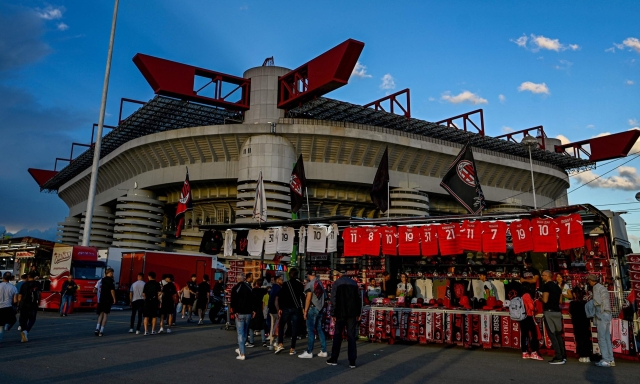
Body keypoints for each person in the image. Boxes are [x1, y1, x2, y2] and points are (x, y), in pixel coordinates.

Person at [327, 270, 362, 368]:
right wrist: (358, 313)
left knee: (338, 335)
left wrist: (333, 313)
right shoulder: (354, 283)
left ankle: (334, 358)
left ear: (339, 275)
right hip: (352, 313)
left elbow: (333, 299)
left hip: (340, 313)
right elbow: (358, 299)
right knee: (351, 336)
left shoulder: (336, 283)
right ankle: (352, 361)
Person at [274, 268, 304, 355]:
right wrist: (304, 309)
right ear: (297, 275)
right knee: (294, 327)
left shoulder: (285, 284)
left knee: (282, 325)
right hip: (296, 308)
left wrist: (280, 308)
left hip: (286, 308)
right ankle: (292, 348)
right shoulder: (300, 285)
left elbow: (280, 296)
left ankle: (280, 343)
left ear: (289, 275)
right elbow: (302, 297)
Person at [299, 271, 327, 359]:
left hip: (312, 308)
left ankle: (309, 351)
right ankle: (324, 350)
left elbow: (308, 298)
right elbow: (325, 297)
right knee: (319, 329)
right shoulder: (320, 283)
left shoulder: (310, 284)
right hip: (320, 308)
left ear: (309, 275)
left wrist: (305, 311)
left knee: (311, 330)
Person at [588, 274, 614, 367]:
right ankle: (611, 359)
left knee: (601, 338)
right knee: (607, 337)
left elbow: (597, 302)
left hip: (601, 314)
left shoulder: (595, 288)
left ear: (591, 281)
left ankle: (605, 359)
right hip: (608, 313)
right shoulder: (603, 287)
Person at [540, 270, 566, 364]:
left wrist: (540, 298)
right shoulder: (557, 286)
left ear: (547, 276)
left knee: (552, 334)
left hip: (549, 312)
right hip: (557, 311)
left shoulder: (546, 286)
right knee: (558, 334)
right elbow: (560, 301)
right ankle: (562, 355)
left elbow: (545, 300)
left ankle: (558, 357)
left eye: (543, 275)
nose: (542, 277)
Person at [230, 272, 254, 361]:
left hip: (239, 313)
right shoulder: (249, 288)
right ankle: (241, 348)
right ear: (244, 279)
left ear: (237, 279)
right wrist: (253, 310)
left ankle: (242, 353)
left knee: (240, 333)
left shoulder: (235, 288)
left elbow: (233, 302)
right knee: (245, 332)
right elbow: (253, 300)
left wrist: (235, 311)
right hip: (248, 313)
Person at [569, 287, 592, 363]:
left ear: (574, 294)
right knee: (586, 339)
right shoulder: (585, 303)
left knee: (579, 339)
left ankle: (582, 355)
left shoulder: (572, 304)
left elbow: (570, 314)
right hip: (585, 323)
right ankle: (587, 355)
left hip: (577, 323)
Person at [520, 286, 543, 360]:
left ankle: (524, 352)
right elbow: (531, 307)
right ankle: (534, 351)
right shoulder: (527, 295)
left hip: (522, 317)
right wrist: (535, 307)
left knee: (524, 334)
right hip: (529, 316)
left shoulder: (521, 296)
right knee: (534, 334)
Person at [17, 271, 41, 342]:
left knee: (23, 319)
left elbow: (20, 295)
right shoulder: (38, 284)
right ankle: (26, 332)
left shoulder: (24, 284)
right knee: (32, 319)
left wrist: (19, 304)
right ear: (34, 277)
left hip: (24, 304)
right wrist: (39, 302)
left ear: (28, 277)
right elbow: (39, 294)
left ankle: (23, 332)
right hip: (33, 304)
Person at [95, 268, 116, 337]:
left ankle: (97, 328)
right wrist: (114, 298)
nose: (112, 274)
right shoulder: (111, 280)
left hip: (102, 298)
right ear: (109, 273)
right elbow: (112, 290)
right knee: (105, 314)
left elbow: (96, 289)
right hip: (108, 299)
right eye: (111, 273)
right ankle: (101, 330)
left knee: (100, 313)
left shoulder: (102, 280)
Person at [249, 276, 268, 348]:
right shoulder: (263, 291)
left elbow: (252, 301)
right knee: (262, 326)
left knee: (251, 326)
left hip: (255, 310)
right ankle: (264, 341)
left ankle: (251, 341)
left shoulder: (253, 290)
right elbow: (266, 290)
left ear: (256, 283)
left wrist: (252, 310)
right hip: (261, 310)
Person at [0, 272, 18, 343]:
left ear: (2, 277)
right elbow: (15, 300)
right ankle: (6, 325)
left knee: (0, 325)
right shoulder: (13, 287)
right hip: (7, 307)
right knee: (11, 320)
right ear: (10, 279)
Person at [268, 275, 283, 348]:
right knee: (277, 326)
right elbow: (276, 300)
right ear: (278, 280)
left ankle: (271, 343)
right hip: (275, 309)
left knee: (273, 326)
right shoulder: (278, 289)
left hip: (271, 309)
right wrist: (278, 310)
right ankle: (275, 342)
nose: (282, 281)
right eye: (281, 280)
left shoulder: (273, 287)